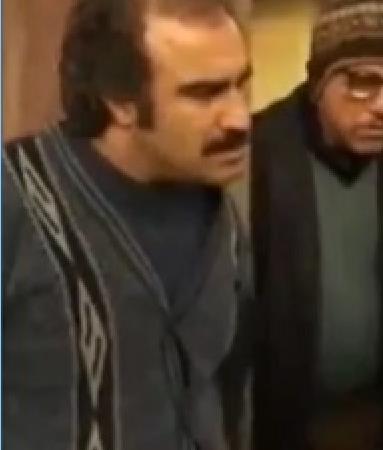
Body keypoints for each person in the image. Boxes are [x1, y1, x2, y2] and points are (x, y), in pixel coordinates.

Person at [2, 0, 253, 449]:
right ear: (120, 101)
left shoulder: (221, 215)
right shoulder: (15, 199)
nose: (239, 118)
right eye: (204, 93)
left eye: (241, 85)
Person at [249, 1, 383, 450]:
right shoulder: (253, 164)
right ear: (319, 83)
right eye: (362, 83)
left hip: (377, 426)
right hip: (270, 428)